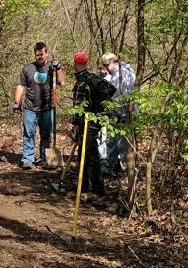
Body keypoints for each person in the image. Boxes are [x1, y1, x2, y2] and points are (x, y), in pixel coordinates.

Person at [70, 52, 114, 196]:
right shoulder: (95, 78)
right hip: (98, 121)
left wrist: (75, 125)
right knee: (83, 153)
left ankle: (98, 190)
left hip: (87, 122)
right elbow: (111, 91)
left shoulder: (81, 83)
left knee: (90, 154)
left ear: (75, 64)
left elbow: (77, 107)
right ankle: (83, 186)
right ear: (87, 64)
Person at [14, 41, 60, 169]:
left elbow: (61, 81)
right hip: (30, 108)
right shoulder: (28, 68)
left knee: (46, 135)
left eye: (42, 54)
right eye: (37, 54)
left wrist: (59, 68)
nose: (39, 57)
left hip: (47, 108)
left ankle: (45, 159)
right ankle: (27, 160)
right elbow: (20, 86)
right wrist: (17, 102)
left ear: (47, 53)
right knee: (29, 134)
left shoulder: (52, 68)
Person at [100, 51, 136, 177]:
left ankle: (130, 172)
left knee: (122, 144)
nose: (105, 69)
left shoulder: (123, 74)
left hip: (124, 114)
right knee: (112, 141)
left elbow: (119, 94)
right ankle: (110, 166)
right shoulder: (119, 72)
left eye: (105, 66)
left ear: (111, 63)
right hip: (116, 113)